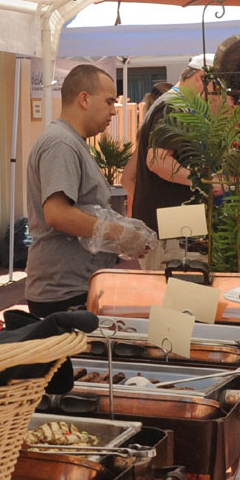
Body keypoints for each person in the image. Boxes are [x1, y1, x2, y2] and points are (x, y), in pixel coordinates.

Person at [24, 64, 149, 317]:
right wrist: (118, 232)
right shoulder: (61, 143)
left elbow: (85, 208)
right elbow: (57, 214)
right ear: (84, 99)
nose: (114, 111)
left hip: (76, 284)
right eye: (109, 102)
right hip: (63, 290)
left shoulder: (72, 142)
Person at [130, 55, 213, 269]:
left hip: (174, 229)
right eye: (216, 88)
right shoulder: (173, 106)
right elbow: (157, 161)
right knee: (171, 298)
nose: (216, 96)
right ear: (201, 77)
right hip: (169, 233)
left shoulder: (176, 105)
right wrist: (206, 182)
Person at [119, 81, 172, 215]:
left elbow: (126, 178)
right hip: (166, 215)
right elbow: (127, 178)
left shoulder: (147, 133)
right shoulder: (152, 135)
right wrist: (151, 203)